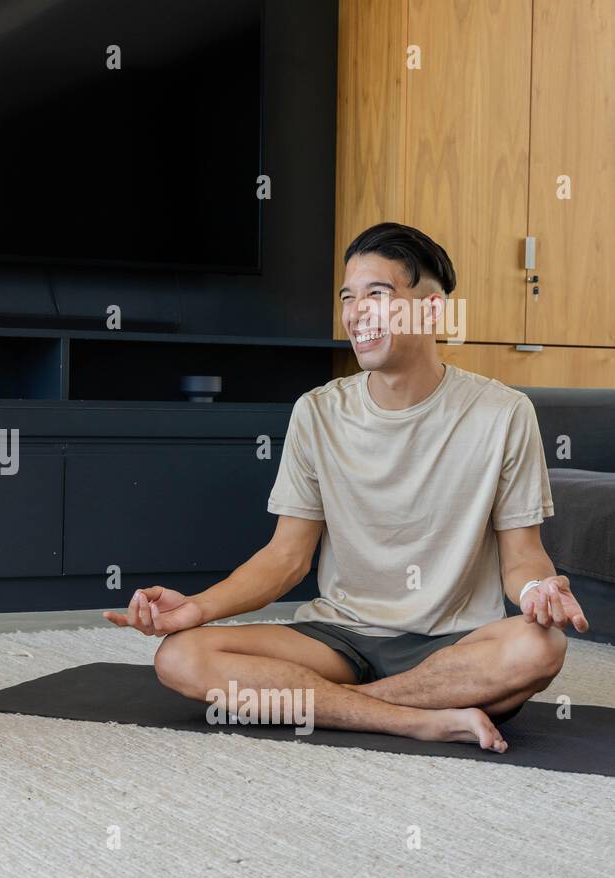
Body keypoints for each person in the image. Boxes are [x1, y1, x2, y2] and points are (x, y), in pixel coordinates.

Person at [105, 222, 587, 752]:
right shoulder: (317, 412)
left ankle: (345, 706)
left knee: (538, 647)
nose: (356, 312)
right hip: (338, 638)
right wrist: (195, 608)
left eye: (377, 295)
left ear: (432, 311)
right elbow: (287, 557)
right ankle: (414, 717)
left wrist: (537, 590)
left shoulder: (504, 413)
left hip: (453, 643)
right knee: (180, 657)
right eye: (348, 297)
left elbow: (523, 558)